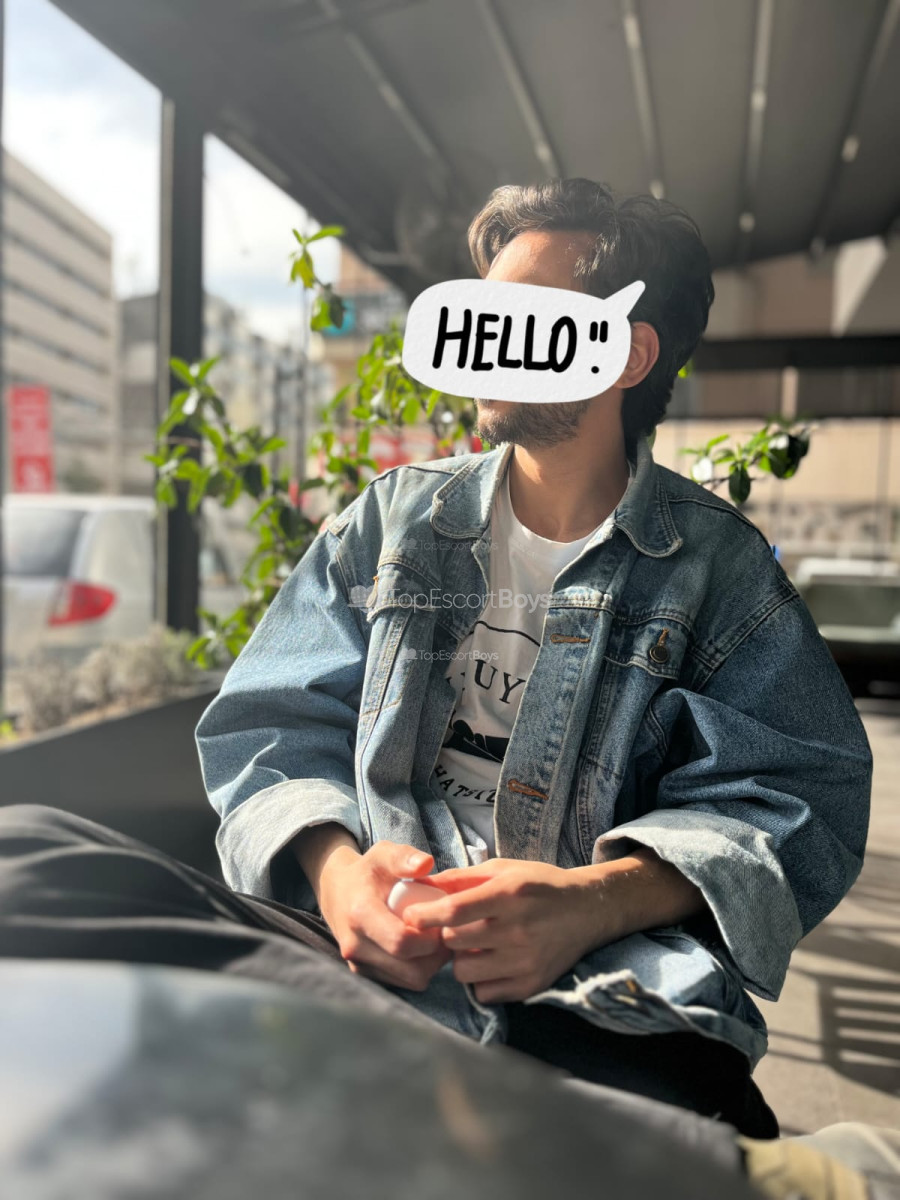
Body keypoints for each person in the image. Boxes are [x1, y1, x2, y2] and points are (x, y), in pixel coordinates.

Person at [0, 179, 872, 1142]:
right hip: (353, 946)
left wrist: (591, 903)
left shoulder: (720, 573)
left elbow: (801, 799)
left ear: (627, 352)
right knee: (23, 852)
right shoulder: (394, 520)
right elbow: (271, 721)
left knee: (687, 1120)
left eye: (519, 317)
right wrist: (338, 877)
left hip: (593, 989)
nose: (484, 342)